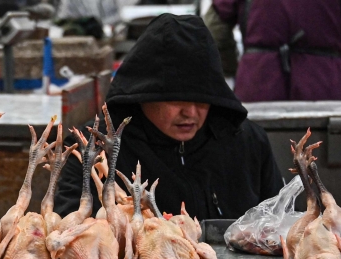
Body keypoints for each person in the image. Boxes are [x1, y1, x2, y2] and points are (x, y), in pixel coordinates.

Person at [54, 14, 283, 221]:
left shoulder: (248, 142)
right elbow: (70, 237)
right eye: (177, 101)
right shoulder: (92, 149)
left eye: (202, 100)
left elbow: (279, 225)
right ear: (143, 96)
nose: (190, 113)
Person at [204, 0, 341, 102]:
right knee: (327, 161)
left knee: (255, 161)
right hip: (326, 89)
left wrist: (238, 70)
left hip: (258, 86)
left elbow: (214, 32)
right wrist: (337, 72)